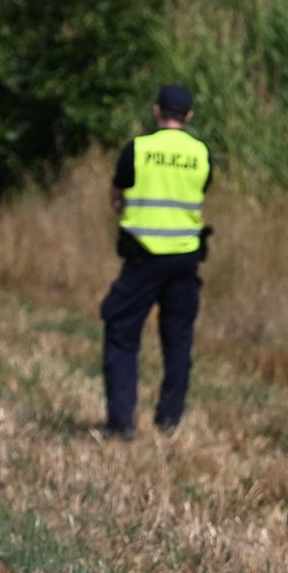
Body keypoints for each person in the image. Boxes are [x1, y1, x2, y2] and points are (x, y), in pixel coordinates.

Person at [99, 85, 212, 439]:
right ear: (189, 115)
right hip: (184, 260)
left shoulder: (139, 149)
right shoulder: (202, 154)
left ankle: (121, 423)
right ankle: (169, 420)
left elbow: (117, 193)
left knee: (121, 333)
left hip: (143, 258)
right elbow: (200, 192)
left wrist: (124, 208)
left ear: (156, 110)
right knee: (178, 340)